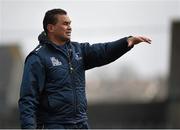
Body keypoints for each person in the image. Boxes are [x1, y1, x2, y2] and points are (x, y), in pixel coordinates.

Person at [18, 8, 151, 129]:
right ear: (51, 27)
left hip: (80, 124)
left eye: (70, 23)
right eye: (65, 24)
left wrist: (125, 42)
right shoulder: (38, 58)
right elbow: (28, 99)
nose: (69, 27)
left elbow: (102, 51)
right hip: (54, 125)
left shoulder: (78, 50)